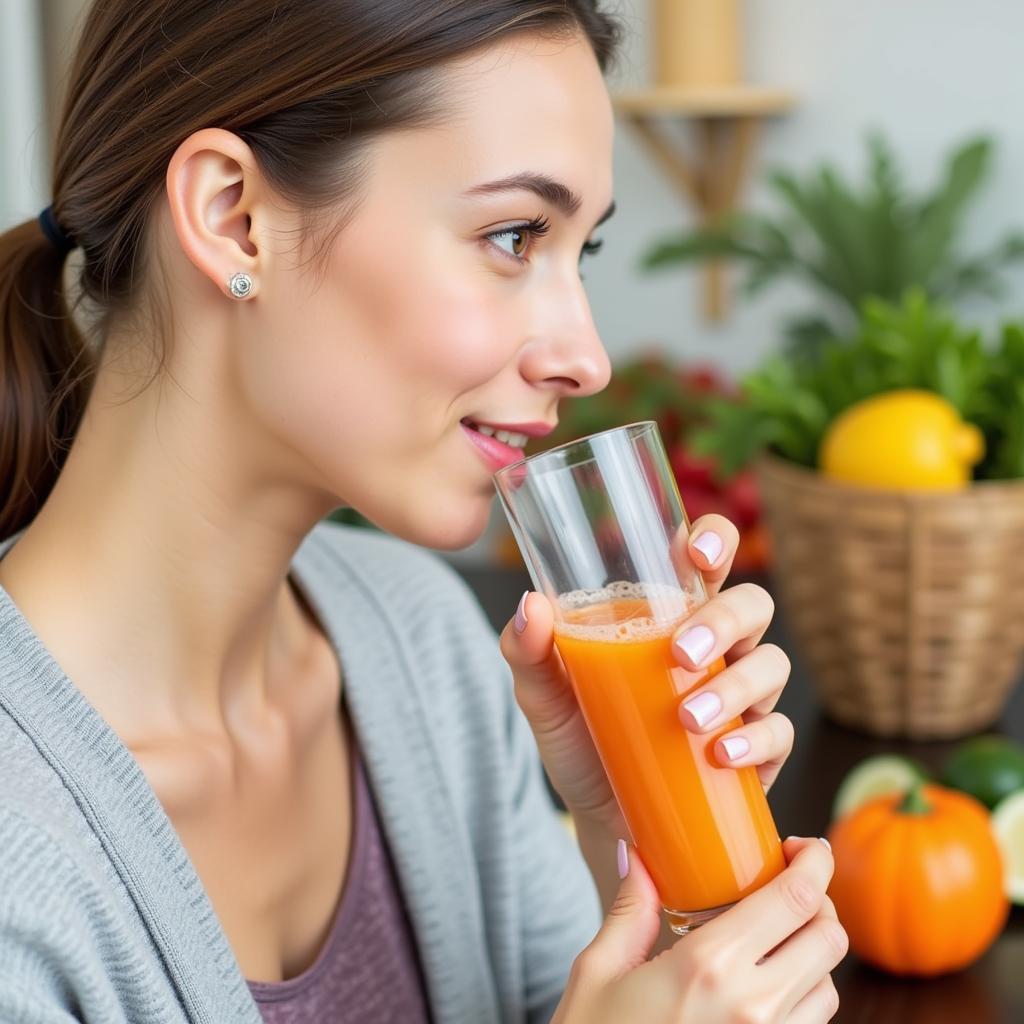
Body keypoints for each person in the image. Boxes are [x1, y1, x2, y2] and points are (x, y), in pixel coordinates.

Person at [0, 1, 847, 1021]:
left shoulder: (427, 644)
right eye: (511, 235)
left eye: (583, 252)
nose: (586, 355)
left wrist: (657, 857)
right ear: (233, 218)